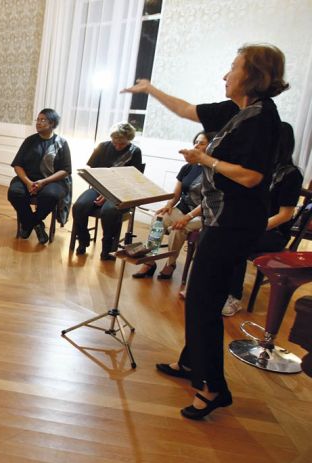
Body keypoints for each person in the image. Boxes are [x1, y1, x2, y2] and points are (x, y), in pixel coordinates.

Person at [123, 43, 288, 419]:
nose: (226, 74)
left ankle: (212, 388)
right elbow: (187, 110)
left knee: (202, 303)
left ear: (253, 75)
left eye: (233, 67)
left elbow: (252, 176)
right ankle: (190, 364)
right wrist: (150, 89)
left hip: (235, 223)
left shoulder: (262, 118)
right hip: (221, 218)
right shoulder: (237, 110)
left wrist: (205, 159)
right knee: (200, 296)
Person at [221, 122, 303, 316]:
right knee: (220, 235)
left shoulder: (291, 174)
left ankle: (234, 296)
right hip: (252, 224)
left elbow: (285, 215)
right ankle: (216, 287)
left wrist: (254, 227)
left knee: (237, 242)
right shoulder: (263, 170)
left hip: (273, 232)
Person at [132, 132, 212, 280]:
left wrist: (187, 218)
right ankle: (150, 261)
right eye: (196, 142)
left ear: (212, 146)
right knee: (159, 218)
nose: (196, 145)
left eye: (202, 143)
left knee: (178, 228)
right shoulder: (188, 167)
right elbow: (177, 193)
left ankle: (171, 263)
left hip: (203, 215)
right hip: (183, 209)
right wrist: (168, 205)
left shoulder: (214, 171)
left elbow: (208, 201)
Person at [72, 122, 144, 259]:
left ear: (129, 139)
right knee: (79, 206)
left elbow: (132, 180)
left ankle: (107, 248)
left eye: (121, 144)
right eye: (114, 142)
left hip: (121, 192)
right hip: (99, 187)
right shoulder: (102, 146)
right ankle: (83, 239)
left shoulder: (135, 151)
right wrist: (103, 192)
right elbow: (92, 172)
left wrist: (108, 195)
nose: (117, 146)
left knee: (109, 211)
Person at [7, 108, 72, 245]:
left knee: (50, 196)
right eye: (38, 119)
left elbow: (66, 170)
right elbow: (17, 165)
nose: (38, 123)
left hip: (52, 181)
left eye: (43, 120)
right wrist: (28, 182)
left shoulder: (61, 143)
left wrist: (44, 181)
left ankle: (29, 224)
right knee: (14, 193)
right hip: (28, 179)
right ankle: (36, 224)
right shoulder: (29, 141)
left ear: (52, 123)